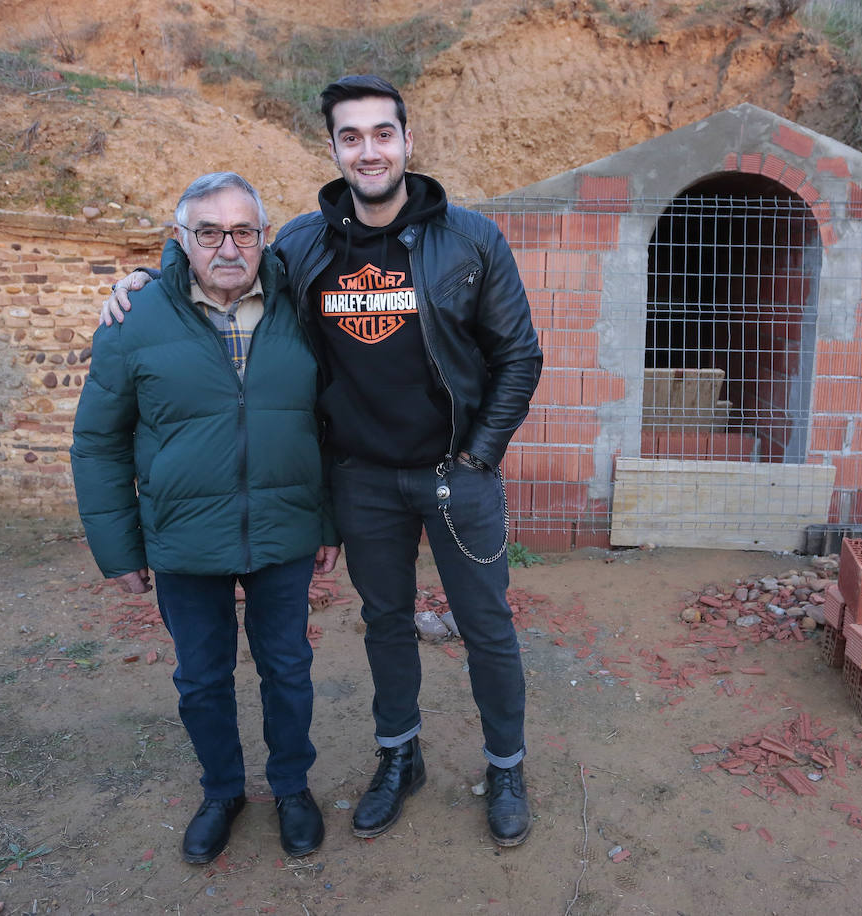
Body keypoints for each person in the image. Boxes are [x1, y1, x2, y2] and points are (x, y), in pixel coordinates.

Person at [102, 76, 543, 846]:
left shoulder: (469, 238)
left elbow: (519, 355)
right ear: (333, 149)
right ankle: (399, 757)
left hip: (456, 474)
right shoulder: (305, 244)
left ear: (408, 142)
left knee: (488, 624)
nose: (368, 150)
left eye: (382, 133)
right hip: (362, 480)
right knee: (385, 621)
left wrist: (478, 454)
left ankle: (505, 764)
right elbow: (219, 270)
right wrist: (147, 279)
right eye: (351, 136)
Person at [74, 172, 339, 864]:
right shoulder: (135, 320)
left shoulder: (301, 309)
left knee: (288, 667)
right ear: (181, 239)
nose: (229, 246)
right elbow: (98, 441)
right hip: (185, 538)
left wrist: (328, 523)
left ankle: (290, 787)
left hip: (283, 527)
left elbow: (332, 424)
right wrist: (118, 548)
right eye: (210, 232)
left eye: (244, 230)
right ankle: (222, 790)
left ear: (265, 237)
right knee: (202, 677)